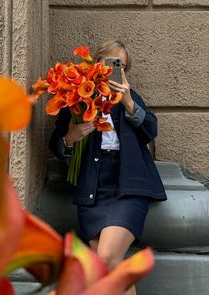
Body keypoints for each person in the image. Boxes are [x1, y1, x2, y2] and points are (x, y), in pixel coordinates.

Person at [49, 40, 167, 295]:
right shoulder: (79, 99)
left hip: (128, 187)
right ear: (96, 63)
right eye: (110, 63)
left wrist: (128, 103)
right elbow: (56, 145)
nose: (114, 70)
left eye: (120, 66)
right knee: (105, 271)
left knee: (105, 259)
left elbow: (151, 131)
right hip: (93, 189)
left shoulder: (130, 97)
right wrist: (70, 137)